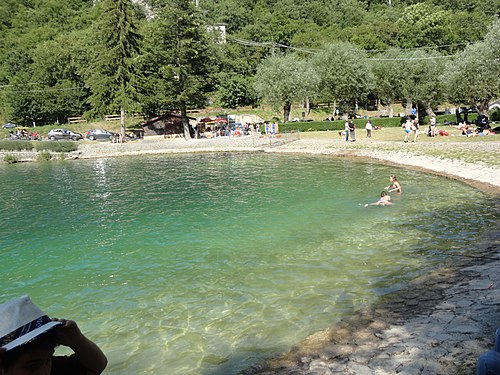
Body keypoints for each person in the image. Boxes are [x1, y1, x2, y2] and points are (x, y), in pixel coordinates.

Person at [0, 295, 107, 375]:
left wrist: (78, 341)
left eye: (48, 360)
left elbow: (96, 366)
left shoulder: (48, 366)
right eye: (31, 367)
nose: (44, 372)